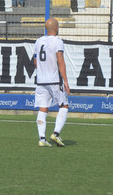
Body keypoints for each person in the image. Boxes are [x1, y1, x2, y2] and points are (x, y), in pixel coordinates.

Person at [34, 18, 70, 147]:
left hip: (41, 81)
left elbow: (35, 61)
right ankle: (56, 133)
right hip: (54, 80)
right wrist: (65, 80)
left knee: (43, 108)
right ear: (56, 28)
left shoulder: (38, 41)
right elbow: (60, 60)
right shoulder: (57, 42)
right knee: (64, 105)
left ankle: (42, 139)